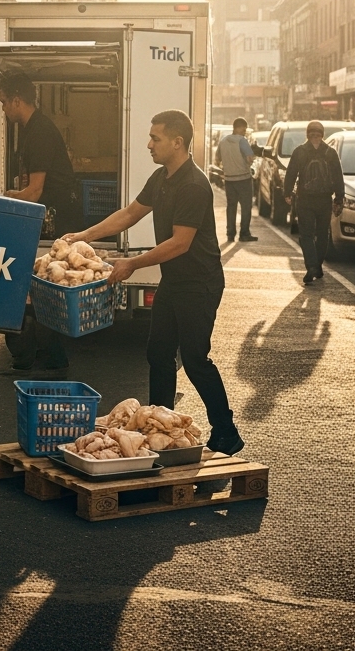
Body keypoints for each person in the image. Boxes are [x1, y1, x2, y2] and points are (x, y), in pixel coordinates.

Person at [63, 109, 244, 455]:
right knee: (158, 353)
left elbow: (180, 243)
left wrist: (132, 263)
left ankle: (226, 431)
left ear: (177, 143)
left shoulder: (193, 185)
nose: (149, 144)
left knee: (194, 360)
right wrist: (83, 235)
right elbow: (130, 214)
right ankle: (161, 427)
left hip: (199, 283)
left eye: (155, 138)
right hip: (175, 281)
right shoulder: (162, 178)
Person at [0, 73, 81, 378]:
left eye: (5, 102)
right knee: (43, 286)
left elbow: (34, 191)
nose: (4, 108)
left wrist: (7, 199)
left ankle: (54, 361)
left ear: (17, 100)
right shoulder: (33, 128)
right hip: (55, 214)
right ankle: (44, 359)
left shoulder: (39, 132)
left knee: (46, 287)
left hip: (59, 219)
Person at [283, 120, 343, 285]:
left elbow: (291, 173)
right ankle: (317, 265)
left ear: (307, 134)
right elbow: (338, 176)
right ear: (322, 135)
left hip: (305, 199)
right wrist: (339, 197)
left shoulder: (300, 151)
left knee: (306, 235)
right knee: (323, 234)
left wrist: (287, 192)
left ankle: (311, 266)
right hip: (324, 200)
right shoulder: (330, 152)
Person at [214, 117, 260, 242]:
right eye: (244, 129)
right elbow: (250, 158)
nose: (245, 131)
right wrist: (251, 158)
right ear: (238, 128)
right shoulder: (242, 141)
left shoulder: (223, 141)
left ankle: (230, 234)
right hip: (243, 179)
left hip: (229, 180)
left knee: (231, 207)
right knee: (246, 207)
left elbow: (217, 159)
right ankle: (244, 233)